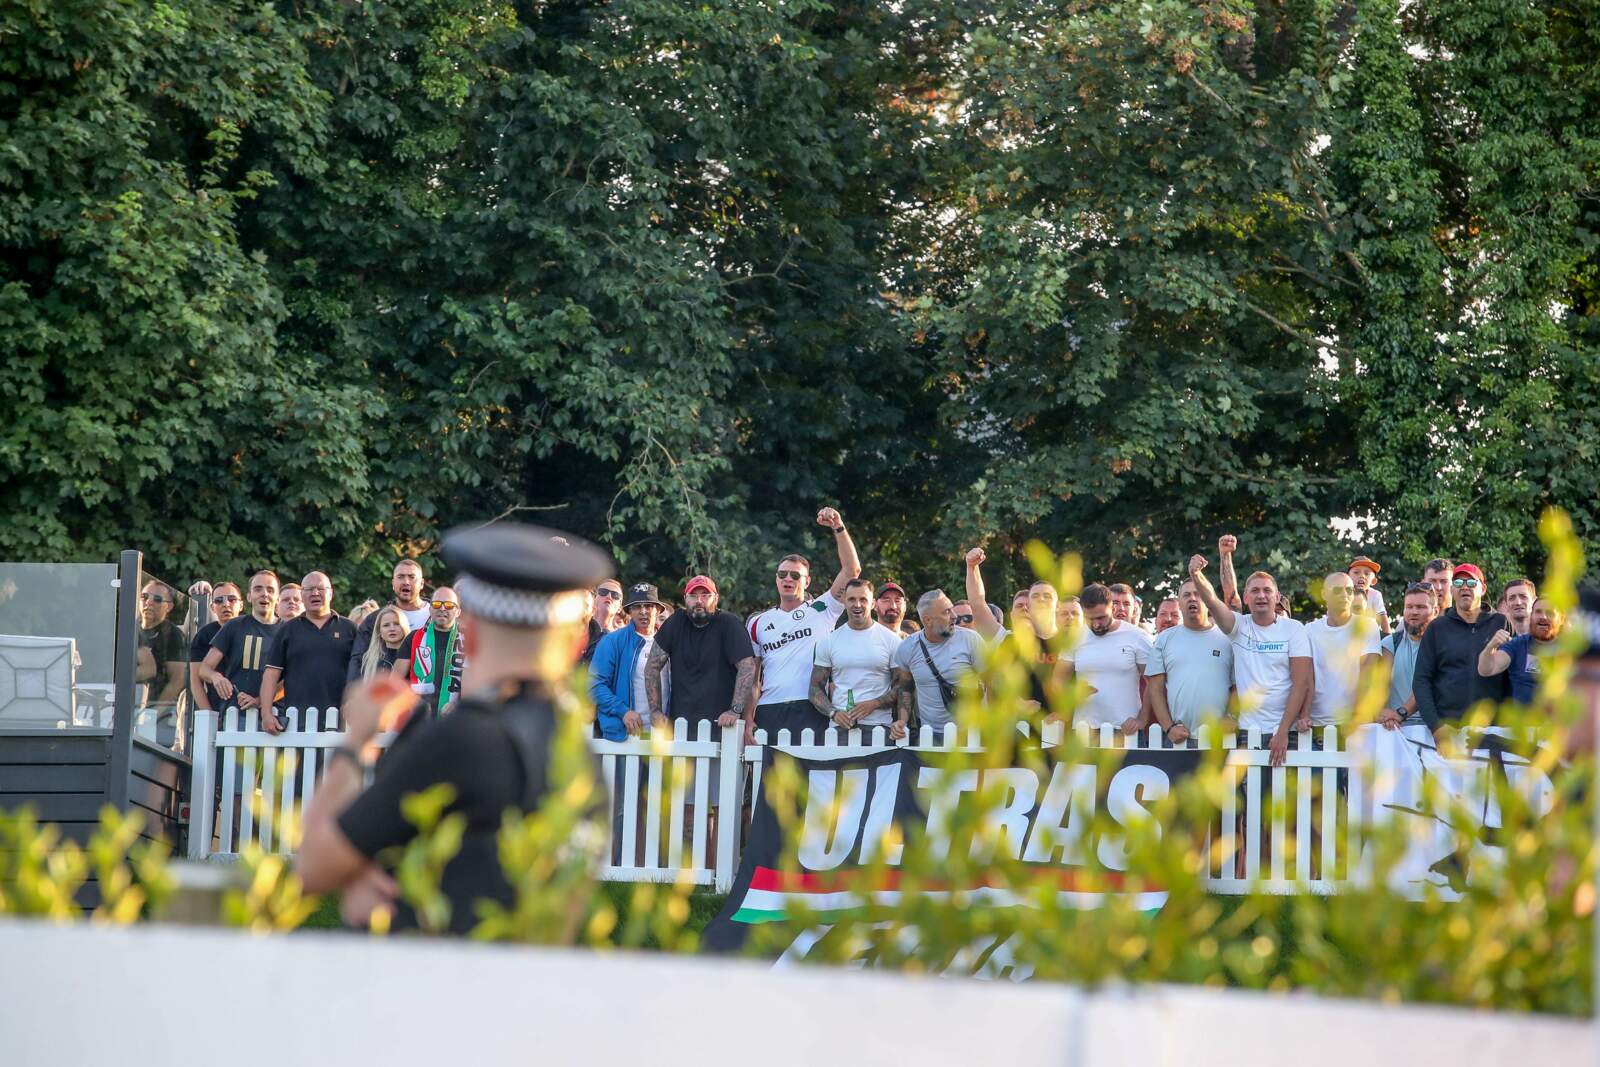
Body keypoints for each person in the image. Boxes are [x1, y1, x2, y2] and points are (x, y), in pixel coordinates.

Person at [298, 522, 612, 935]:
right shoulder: (579, 757)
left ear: (471, 637)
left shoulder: (464, 740)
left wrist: (357, 740)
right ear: (573, 645)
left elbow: (313, 867)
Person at [745, 507, 861, 737]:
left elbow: (852, 570)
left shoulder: (822, 608)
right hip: (769, 709)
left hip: (811, 706)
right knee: (769, 774)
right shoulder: (757, 622)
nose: (788, 579)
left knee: (811, 773)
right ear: (776, 579)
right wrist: (748, 719)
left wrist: (838, 526)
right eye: (782, 574)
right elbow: (752, 679)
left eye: (795, 575)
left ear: (807, 581)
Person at [1187, 554, 1312, 767]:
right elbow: (1213, 602)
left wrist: (1282, 731)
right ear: (1246, 598)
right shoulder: (1239, 626)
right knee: (1252, 797)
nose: (1261, 595)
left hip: (1286, 730)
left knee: (1286, 797)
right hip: (1248, 731)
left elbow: (1302, 683)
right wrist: (1196, 575)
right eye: (1255, 591)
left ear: (1277, 596)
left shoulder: (1294, 629)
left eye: (1267, 590)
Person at [1413, 562, 1511, 740]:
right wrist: (1436, 726)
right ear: (1452, 590)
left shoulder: (1501, 622)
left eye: (1472, 583)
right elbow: (1421, 680)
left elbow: (1511, 676)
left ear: (1483, 589)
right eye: (1458, 583)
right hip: (1447, 732)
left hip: (1492, 733)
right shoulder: (1437, 628)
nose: (1465, 587)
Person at [644, 576, 755, 733]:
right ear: (685, 599)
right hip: (680, 725)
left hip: (722, 726)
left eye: (705, 595)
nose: (699, 601)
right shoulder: (676, 622)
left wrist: (735, 710)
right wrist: (655, 710)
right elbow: (652, 666)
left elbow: (747, 667)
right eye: (693, 596)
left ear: (715, 599)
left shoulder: (729, 624)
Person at [965, 547, 1063, 711]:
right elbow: (977, 604)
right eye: (1035, 596)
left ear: (1058, 606)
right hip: (1019, 731)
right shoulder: (1009, 641)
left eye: (1047, 596)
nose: (1041, 599)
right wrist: (971, 567)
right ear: (1028, 607)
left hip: (1062, 732)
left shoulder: (1071, 643)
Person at [258, 572, 356, 733]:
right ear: (302, 595)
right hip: (298, 721)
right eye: (309, 589)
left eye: (320, 588)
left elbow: (362, 673)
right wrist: (266, 713)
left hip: (343, 721)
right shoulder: (287, 630)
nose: (315, 593)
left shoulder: (350, 629)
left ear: (331, 593)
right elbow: (271, 674)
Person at [810, 578, 905, 737]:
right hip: (839, 729)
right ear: (844, 602)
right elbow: (814, 690)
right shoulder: (829, 641)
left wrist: (874, 704)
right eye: (852, 599)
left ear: (873, 604)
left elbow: (903, 688)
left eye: (863, 599)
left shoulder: (892, 640)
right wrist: (834, 713)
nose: (857, 604)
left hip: (880, 727)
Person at [1145, 577, 1233, 742]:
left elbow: (1237, 687)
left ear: (1208, 599)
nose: (1192, 598)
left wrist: (1232, 719)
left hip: (1219, 740)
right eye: (1186, 595)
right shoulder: (1164, 639)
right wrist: (1169, 728)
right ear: (1179, 603)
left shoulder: (1228, 639)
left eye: (1198, 594)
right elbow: (1155, 689)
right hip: (1179, 739)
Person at [889, 590, 989, 731]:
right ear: (928, 620)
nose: (954, 617)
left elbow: (992, 683)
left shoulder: (971, 640)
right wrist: (902, 721)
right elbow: (906, 689)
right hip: (930, 736)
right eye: (947, 612)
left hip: (972, 735)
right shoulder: (908, 647)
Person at [1057, 583, 1152, 731]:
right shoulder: (1074, 638)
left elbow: (1153, 681)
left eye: (1101, 618)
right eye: (1090, 619)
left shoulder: (1137, 636)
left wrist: (1142, 719)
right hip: (1083, 730)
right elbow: (1057, 680)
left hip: (1126, 731)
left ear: (1113, 609)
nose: (1096, 625)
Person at [1303, 573, 1383, 730]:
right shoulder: (1309, 630)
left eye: (1349, 590)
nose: (1345, 595)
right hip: (1316, 723)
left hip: (1355, 724)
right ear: (1324, 594)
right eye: (1337, 590)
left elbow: (1368, 673)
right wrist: (1304, 715)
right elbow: (1306, 677)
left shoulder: (1368, 626)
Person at [590, 583, 669, 740]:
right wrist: (623, 711)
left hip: (662, 738)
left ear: (658, 610)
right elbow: (594, 685)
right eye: (636, 607)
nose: (643, 611)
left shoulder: (670, 642)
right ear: (629, 612)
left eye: (648, 606)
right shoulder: (612, 641)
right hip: (624, 736)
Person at [198, 571, 280, 716]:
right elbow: (204, 668)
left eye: (270, 590)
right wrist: (216, 677)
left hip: (274, 713)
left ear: (278, 597)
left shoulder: (287, 631)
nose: (264, 594)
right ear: (249, 596)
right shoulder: (234, 626)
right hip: (235, 713)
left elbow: (292, 678)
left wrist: (260, 700)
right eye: (258, 589)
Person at [347, 560, 431, 682]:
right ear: (393, 583)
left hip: (429, 694)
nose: (406, 582)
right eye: (400, 577)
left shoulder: (436, 617)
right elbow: (358, 660)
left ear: (422, 583)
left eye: (412, 577)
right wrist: (352, 695)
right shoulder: (375, 619)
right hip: (384, 693)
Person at [1478, 597, 1564, 706]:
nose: (1543, 617)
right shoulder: (1517, 645)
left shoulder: (1573, 650)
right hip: (1522, 721)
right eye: (1538, 612)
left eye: (1550, 613)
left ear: (1561, 619)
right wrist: (1491, 646)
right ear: (1531, 616)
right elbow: (1486, 670)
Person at [1378, 582, 1437, 730]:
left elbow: (1428, 685)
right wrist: (1383, 713)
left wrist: (1401, 712)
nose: (1414, 612)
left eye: (1421, 607)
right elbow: (1380, 685)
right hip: (1396, 728)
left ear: (1435, 611)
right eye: (1409, 607)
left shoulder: (1444, 644)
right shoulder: (1391, 643)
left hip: (1433, 729)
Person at [400, 587, 465, 719]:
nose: (442, 608)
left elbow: (479, 685)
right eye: (436, 604)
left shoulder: (468, 641)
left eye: (448, 605)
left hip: (455, 719)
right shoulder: (414, 638)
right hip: (418, 719)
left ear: (458, 611)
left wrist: (459, 705)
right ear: (430, 609)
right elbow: (396, 679)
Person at [188, 581, 243, 712]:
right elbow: (196, 681)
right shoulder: (204, 635)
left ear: (241, 605)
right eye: (219, 600)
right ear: (212, 607)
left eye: (232, 599)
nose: (226, 604)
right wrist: (209, 715)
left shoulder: (252, 629)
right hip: (217, 706)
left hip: (251, 706)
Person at [135, 580, 187, 709]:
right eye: (144, 597)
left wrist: (155, 712)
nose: (149, 602)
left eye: (157, 599)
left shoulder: (173, 635)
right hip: (125, 705)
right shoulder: (129, 630)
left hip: (161, 712)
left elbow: (178, 679)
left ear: (169, 607)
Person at [356, 604, 411, 682]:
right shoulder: (370, 659)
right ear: (379, 631)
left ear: (404, 626)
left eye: (396, 624)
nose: (392, 629)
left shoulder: (415, 657)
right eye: (386, 625)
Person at [1347, 556, 1390, 636]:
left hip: (1369, 635)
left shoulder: (1375, 595)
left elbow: (1383, 618)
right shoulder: (1343, 594)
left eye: (1367, 573)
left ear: (1373, 581)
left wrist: (1389, 642)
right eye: (1356, 572)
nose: (1362, 576)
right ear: (1347, 577)